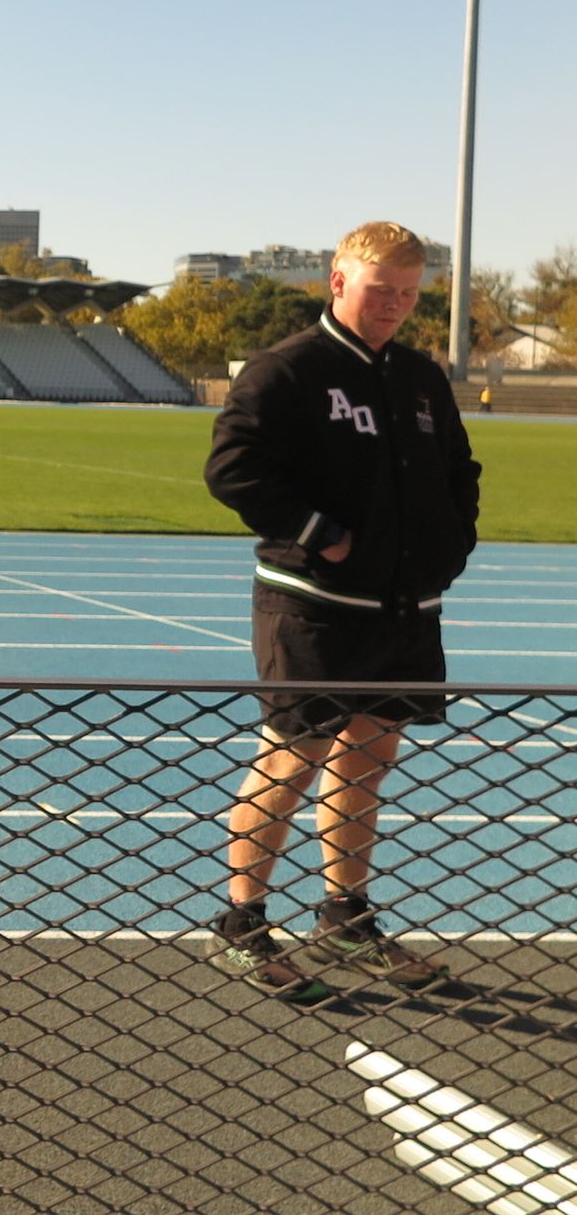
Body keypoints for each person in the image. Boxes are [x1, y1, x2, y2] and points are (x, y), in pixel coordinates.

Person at [203, 221, 480, 1000]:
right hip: (313, 608)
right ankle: (242, 926)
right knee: (292, 759)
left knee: (370, 758)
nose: (394, 304)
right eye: (379, 289)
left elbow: (460, 470)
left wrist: (450, 545)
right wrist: (323, 538)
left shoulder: (420, 377)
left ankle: (345, 918)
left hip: (403, 609)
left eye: (408, 293)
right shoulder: (289, 369)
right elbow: (232, 468)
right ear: (338, 281)